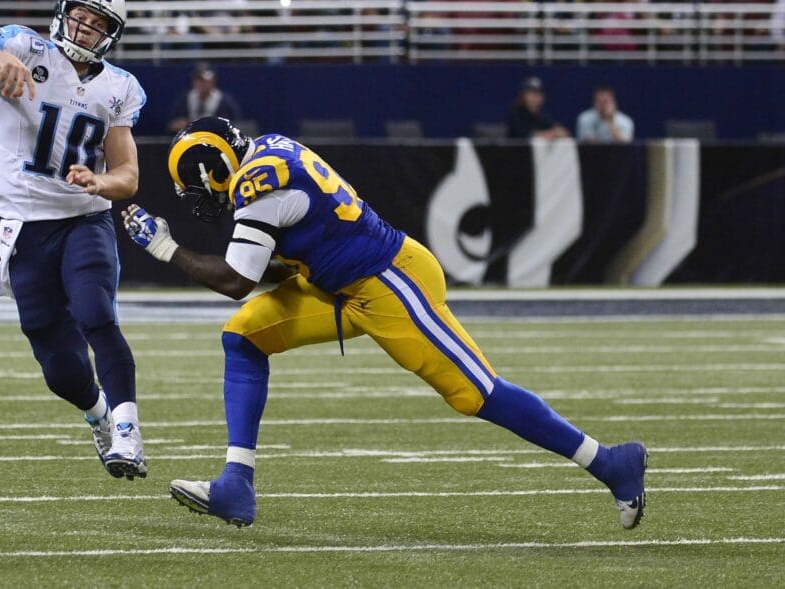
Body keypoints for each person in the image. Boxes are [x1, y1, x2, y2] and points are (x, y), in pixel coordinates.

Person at [119, 117, 647, 528]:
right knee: (242, 336)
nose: (201, 201)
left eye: (198, 190)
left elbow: (237, 278)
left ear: (213, 170)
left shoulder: (258, 185)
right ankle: (237, 483)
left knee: (475, 393)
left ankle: (610, 463)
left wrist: (165, 248)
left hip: (389, 281)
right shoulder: (267, 150)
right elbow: (271, 266)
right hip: (336, 283)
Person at [0, 0, 148, 482]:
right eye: (79, 16)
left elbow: (128, 177)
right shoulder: (22, 44)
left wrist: (101, 181)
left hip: (83, 219)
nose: (84, 28)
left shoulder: (119, 88)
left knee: (96, 314)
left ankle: (129, 433)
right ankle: (98, 414)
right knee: (60, 367)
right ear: (63, 12)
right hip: (24, 225)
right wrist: (0, 62)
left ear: (111, 34)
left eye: (97, 24)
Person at [167, 63, 244, 134]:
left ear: (213, 81)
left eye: (205, 81)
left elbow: (236, 125)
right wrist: (180, 124)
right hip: (190, 140)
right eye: (198, 80)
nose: (202, 84)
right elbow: (172, 124)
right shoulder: (185, 99)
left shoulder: (224, 101)